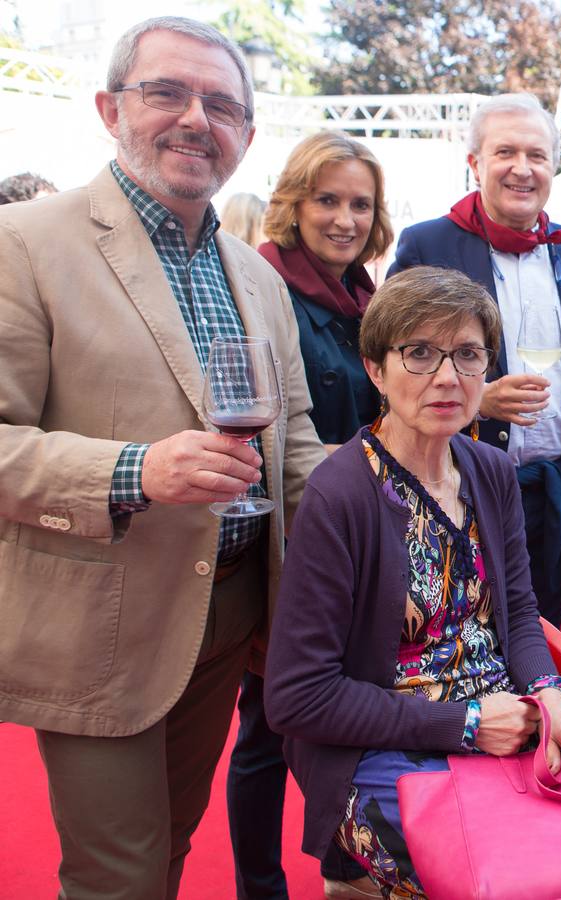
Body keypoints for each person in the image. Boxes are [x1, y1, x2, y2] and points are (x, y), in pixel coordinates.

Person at [0, 17, 324, 899]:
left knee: (173, 848)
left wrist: (411, 470)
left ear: (247, 137)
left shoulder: (256, 276)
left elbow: (292, 443)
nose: (196, 118)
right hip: (97, 627)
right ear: (111, 108)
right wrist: (133, 470)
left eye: (222, 105)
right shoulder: (26, 243)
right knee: (121, 877)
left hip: (227, 619)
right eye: (167, 93)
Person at [265, 266, 561, 898]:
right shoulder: (340, 494)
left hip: (512, 717)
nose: (446, 377)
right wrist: (462, 724)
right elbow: (298, 697)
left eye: (466, 355)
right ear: (375, 370)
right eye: (420, 354)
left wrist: (554, 704)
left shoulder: (489, 469)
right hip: (380, 741)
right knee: (487, 870)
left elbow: (517, 609)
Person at [226, 131, 394, 900]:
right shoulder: (261, 286)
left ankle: (347, 869)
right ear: (293, 203)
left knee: (352, 711)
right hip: (290, 547)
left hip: (365, 539)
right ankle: (260, 887)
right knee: (267, 727)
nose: (344, 218)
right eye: (327, 199)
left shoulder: (363, 294)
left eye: (360, 203)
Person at [389, 93, 561, 627]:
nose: (522, 168)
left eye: (537, 155)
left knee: (544, 634)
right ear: (475, 164)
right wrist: (477, 400)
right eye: (505, 152)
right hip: (458, 488)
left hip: (555, 492)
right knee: (459, 639)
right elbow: (389, 362)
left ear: (554, 166)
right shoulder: (428, 244)